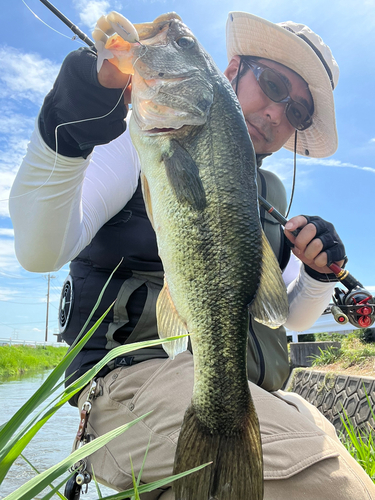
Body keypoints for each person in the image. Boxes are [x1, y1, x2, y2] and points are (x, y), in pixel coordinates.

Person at [9, 11, 375, 500]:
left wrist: (315, 276)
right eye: (271, 84)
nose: (276, 114)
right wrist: (67, 126)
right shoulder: (139, 136)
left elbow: (281, 317)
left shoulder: (267, 189)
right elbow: (39, 251)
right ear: (231, 72)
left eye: (299, 113)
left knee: (345, 467)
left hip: (240, 391)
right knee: (330, 490)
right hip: (133, 379)